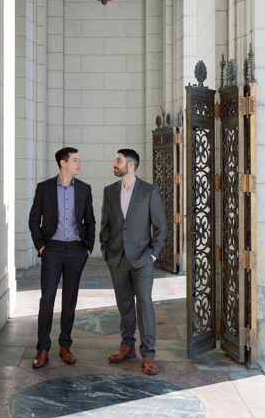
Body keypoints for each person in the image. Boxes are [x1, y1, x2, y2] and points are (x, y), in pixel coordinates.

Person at [99, 148, 167, 375]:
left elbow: (161, 226)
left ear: (130, 165)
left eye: (118, 160)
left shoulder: (149, 191)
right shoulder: (109, 192)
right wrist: (106, 251)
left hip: (142, 259)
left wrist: (153, 254)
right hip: (117, 258)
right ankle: (127, 345)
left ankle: (148, 354)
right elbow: (105, 225)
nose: (114, 163)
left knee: (144, 304)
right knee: (124, 303)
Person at [28, 147, 95, 368]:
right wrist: (41, 248)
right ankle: (43, 348)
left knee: (70, 300)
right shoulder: (44, 188)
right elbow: (33, 220)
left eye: (79, 160)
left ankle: (65, 345)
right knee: (47, 299)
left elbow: (90, 221)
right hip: (52, 250)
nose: (79, 164)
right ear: (62, 163)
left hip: (76, 251)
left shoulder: (84, 189)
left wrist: (87, 248)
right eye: (75, 160)